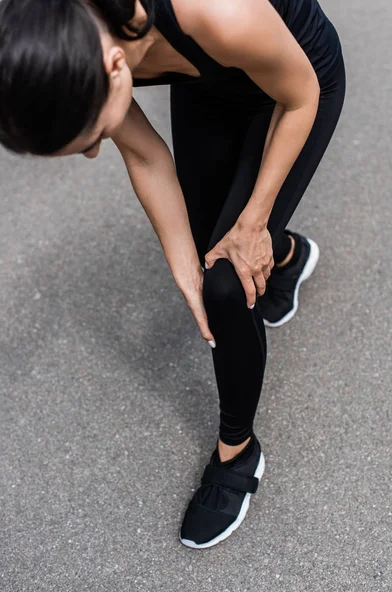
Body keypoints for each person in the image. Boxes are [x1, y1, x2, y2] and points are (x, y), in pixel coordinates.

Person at [0, 0, 346, 549]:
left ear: (116, 66)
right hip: (209, 79)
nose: (94, 151)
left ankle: (239, 451)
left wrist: (251, 225)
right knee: (209, 266)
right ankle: (286, 257)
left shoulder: (217, 12)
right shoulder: (72, 43)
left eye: (90, 136)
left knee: (229, 283)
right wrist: (185, 266)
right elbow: (145, 156)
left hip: (296, 82)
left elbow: (301, 96)